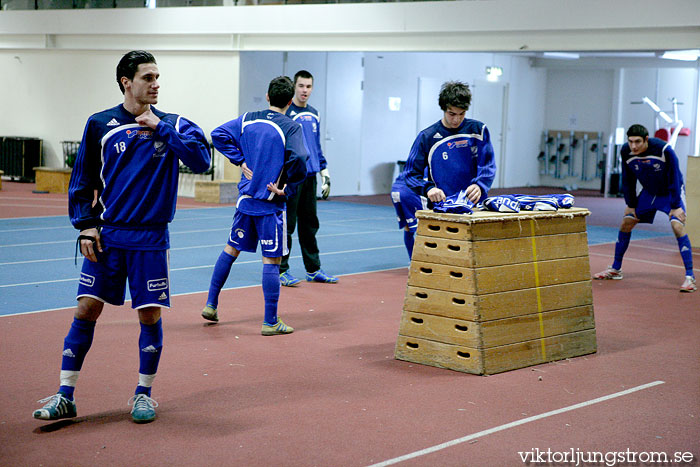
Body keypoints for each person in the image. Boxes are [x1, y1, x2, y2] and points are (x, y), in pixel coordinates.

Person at [32, 50, 212, 424]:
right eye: (148, 77)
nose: (156, 84)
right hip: (108, 237)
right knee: (86, 309)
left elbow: (202, 161)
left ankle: (143, 394)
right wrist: (86, 225)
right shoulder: (100, 124)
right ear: (126, 82)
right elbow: (82, 181)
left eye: (158, 77)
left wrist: (160, 127)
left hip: (150, 239)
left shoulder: (174, 123)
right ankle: (65, 394)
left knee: (148, 314)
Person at [201, 76, 308, 333]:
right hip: (270, 204)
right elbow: (301, 158)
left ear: (268, 96)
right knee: (271, 262)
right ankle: (270, 321)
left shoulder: (248, 118)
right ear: (290, 101)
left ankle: (211, 304)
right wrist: (288, 188)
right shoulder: (291, 126)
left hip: (245, 201)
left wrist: (239, 161)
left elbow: (217, 134)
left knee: (230, 250)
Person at [397, 80, 496, 257]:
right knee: (444, 258)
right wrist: (429, 189)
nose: (456, 119)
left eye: (461, 114)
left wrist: (480, 185)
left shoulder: (479, 130)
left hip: (475, 205)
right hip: (442, 207)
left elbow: (488, 165)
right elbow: (410, 174)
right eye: (451, 113)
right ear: (443, 108)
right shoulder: (427, 137)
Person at [594, 124, 696, 292]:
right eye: (631, 141)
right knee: (626, 223)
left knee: (677, 226)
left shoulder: (664, 150)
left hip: (670, 192)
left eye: (638, 142)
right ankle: (615, 269)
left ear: (646, 140)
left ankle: (690, 277)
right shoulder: (626, 152)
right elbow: (628, 180)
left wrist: (676, 205)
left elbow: (675, 177)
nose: (633, 146)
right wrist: (631, 204)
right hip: (648, 193)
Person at [278, 70, 338, 287]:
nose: (305, 90)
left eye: (309, 87)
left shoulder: (314, 113)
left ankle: (313, 269)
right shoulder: (286, 113)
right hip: (293, 177)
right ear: (295, 87)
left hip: (311, 175)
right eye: (301, 86)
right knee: (289, 225)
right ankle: (281, 269)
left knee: (310, 225)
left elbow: (316, 145)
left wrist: (325, 172)